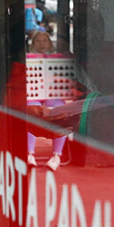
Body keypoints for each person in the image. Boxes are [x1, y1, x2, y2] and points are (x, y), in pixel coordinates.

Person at [26, 30, 67, 171]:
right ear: (33, 43)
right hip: (34, 94)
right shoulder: (27, 59)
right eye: (38, 41)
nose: (42, 43)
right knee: (30, 114)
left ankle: (57, 156)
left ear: (49, 43)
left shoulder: (59, 60)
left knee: (60, 114)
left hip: (53, 95)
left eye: (44, 41)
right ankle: (29, 154)